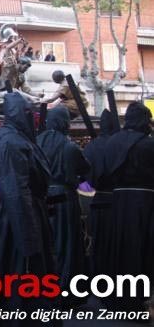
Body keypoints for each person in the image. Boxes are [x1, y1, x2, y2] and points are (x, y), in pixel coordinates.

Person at [0, 93, 59, 325]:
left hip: (28, 209)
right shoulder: (11, 142)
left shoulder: (18, 138)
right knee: (22, 267)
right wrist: (28, 235)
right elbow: (16, 190)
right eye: (27, 113)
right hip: (20, 216)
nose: (32, 118)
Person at [103, 102, 154, 313]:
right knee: (142, 250)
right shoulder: (149, 144)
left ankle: (120, 299)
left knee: (121, 248)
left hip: (119, 202)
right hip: (145, 202)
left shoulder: (112, 142)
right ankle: (140, 300)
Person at [36, 107, 90, 307]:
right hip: (64, 198)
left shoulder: (37, 142)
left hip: (41, 197)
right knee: (65, 243)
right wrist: (75, 178)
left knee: (46, 243)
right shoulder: (70, 147)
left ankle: (45, 288)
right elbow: (86, 170)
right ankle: (66, 291)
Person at [82, 109, 118, 280]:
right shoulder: (119, 144)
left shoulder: (92, 146)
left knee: (98, 242)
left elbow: (85, 172)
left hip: (98, 199)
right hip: (117, 201)